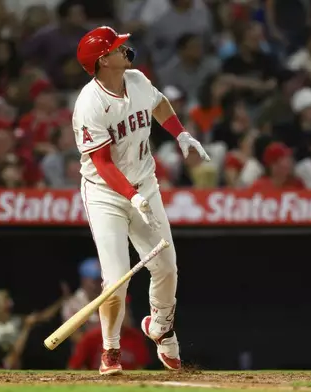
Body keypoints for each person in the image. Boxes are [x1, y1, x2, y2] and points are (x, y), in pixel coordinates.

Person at [74, 26, 210, 375]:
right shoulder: (90, 103)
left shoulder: (135, 80)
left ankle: (161, 327)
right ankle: (110, 351)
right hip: (105, 193)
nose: (125, 48)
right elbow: (102, 164)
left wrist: (181, 133)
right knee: (117, 277)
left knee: (166, 266)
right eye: (117, 47)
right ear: (103, 60)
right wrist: (130, 196)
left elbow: (159, 103)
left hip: (144, 183)